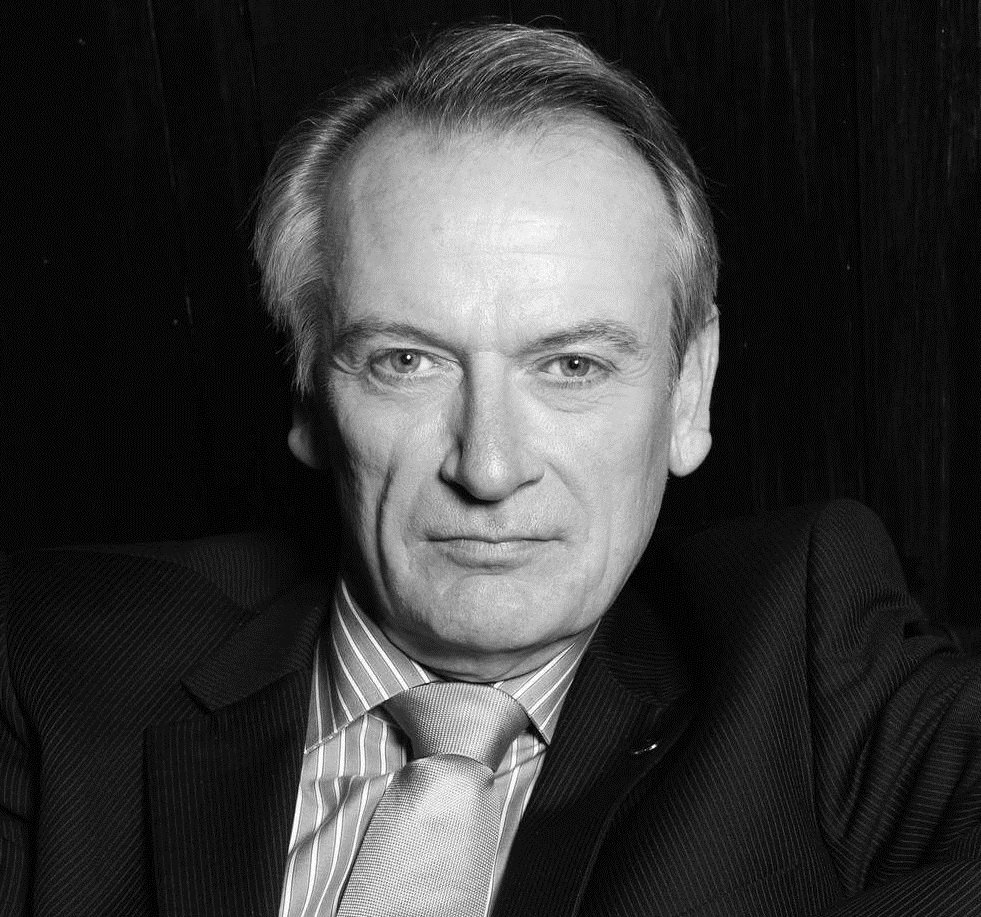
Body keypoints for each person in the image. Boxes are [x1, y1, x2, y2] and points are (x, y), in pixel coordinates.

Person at [1, 22, 979, 917]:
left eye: (572, 366)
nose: (490, 465)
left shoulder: (805, 657)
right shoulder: (50, 663)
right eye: (407, 361)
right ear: (307, 392)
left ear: (688, 392)